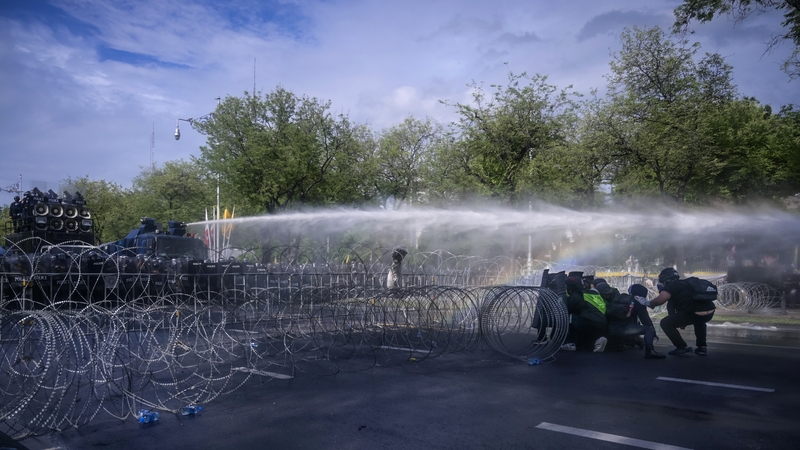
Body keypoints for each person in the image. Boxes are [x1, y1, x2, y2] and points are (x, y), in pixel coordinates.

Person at [635, 268, 715, 356]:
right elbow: (685, 303)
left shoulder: (671, 286)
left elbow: (659, 301)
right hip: (710, 312)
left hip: (693, 314)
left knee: (665, 323)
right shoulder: (684, 284)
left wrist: (647, 302)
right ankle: (702, 347)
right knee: (699, 321)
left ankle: (682, 347)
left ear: (664, 279)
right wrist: (681, 321)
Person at [601, 282, 665, 359]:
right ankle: (650, 352)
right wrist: (653, 334)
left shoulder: (619, 298)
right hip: (623, 330)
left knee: (629, 323)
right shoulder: (638, 302)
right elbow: (646, 321)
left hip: (610, 329)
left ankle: (621, 344)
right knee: (648, 329)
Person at [560, 274, 608, 352]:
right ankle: (598, 340)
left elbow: (565, 310)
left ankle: (570, 342)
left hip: (587, 322)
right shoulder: (590, 293)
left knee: (570, 317)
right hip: (602, 323)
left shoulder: (575, 296)